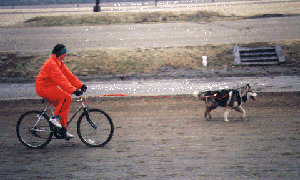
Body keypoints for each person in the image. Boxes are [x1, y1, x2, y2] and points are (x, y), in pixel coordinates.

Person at [35, 44, 87, 138]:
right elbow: (61, 80)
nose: (66, 54)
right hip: (43, 87)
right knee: (66, 97)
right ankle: (54, 118)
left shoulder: (59, 63)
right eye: (64, 52)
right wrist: (74, 90)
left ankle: (63, 131)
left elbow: (69, 76)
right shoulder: (52, 64)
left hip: (50, 87)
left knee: (65, 105)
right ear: (59, 53)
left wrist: (80, 85)